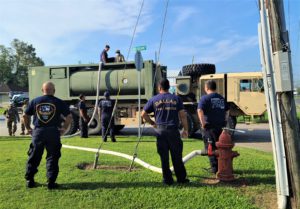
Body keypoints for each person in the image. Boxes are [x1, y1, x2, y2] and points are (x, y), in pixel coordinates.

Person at [23, 81, 72, 189]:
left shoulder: (35, 101)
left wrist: (28, 128)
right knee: (52, 157)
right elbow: (69, 116)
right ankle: (51, 182)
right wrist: (64, 128)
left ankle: (29, 180)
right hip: (53, 132)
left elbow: (25, 115)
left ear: (42, 90)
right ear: (54, 91)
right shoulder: (59, 102)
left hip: (38, 132)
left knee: (34, 156)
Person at [141, 78, 190, 185]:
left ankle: (167, 180)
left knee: (164, 157)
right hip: (173, 131)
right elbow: (183, 116)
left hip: (160, 131)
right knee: (177, 156)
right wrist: (185, 130)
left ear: (159, 87)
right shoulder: (176, 98)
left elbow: (143, 114)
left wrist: (152, 123)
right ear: (169, 87)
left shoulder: (154, 99)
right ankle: (181, 179)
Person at [197, 80, 229, 174]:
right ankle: (221, 166)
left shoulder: (205, 98)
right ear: (215, 88)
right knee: (220, 147)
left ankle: (214, 169)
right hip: (221, 127)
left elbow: (199, 110)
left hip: (209, 127)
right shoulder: (221, 98)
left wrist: (203, 123)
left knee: (210, 147)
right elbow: (227, 111)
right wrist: (225, 121)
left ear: (206, 88)